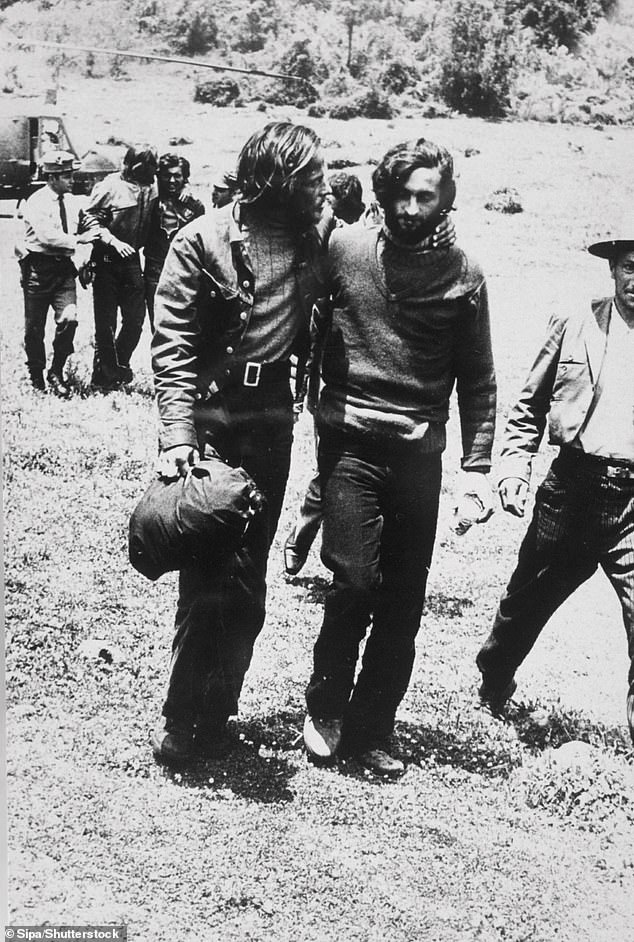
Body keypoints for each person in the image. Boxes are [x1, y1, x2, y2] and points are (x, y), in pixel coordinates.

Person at [303, 138, 497, 776]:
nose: (414, 208)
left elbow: (478, 378)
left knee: (404, 599)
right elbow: (298, 318)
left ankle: (374, 728)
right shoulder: (344, 248)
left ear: (445, 200)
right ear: (383, 194)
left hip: (419, 455)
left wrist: (475, 469)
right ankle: (326, 704)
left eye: (428, 195)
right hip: (350, 444)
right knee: (355, 580)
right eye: (403, 194)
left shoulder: (465, 274)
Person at [149, 122, 331, 763]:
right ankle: (181, 720)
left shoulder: (318, 239)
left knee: (248, 575)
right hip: (211, 421)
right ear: (276, 183)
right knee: (207, 571)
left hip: (270, 421)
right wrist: (177, 433)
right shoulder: (200, 242)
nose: (323, 187)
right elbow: (171, 345)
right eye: (311, 177)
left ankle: (219, 710)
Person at [476, 229, 634, 745]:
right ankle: (494, 678)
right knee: (529, 599)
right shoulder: (575, 321)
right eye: (630, 266)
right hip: (574, 488)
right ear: (612, 269)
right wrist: (514, 469)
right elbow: (528, 406)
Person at [283, 171, 366, 576]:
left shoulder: (365, 240)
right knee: (329, 466)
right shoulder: (318, 241)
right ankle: (301, 537)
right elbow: (312, 333)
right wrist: (305, 392)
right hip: (329, 378)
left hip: (368, 380)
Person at [18, 150, 95, 396]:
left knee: (69, 319)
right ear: (52, 178)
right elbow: (48, 237)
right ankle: (36, 374)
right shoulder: (36, 202)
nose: (72, 180)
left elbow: (87, 221)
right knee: (34, 328)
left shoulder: (72, 202)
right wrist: (80, 239)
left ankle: (57, 370)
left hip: (64, 270)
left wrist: (96, 231)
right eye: (67, 176)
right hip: (39, 269)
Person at [86, 144, 158, 389]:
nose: (152, 173)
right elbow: (88, 221)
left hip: (131, 260)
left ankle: (117, 366)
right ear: (133, 166)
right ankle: (103, 377)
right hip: (106, 259)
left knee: (135, 320)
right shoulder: (109, 186)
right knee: (106, 323)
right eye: (147, 168)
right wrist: (112, 241)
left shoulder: (152, 186)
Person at [144, 153, 205, 328]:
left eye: (177, 176)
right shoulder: (151, 201)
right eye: (167, 175)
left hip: (185, 274)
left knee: (185, 326)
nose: (171, 180)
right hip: (155, 272)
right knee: (158, 325)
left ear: (185, 178)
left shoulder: (194, 205)